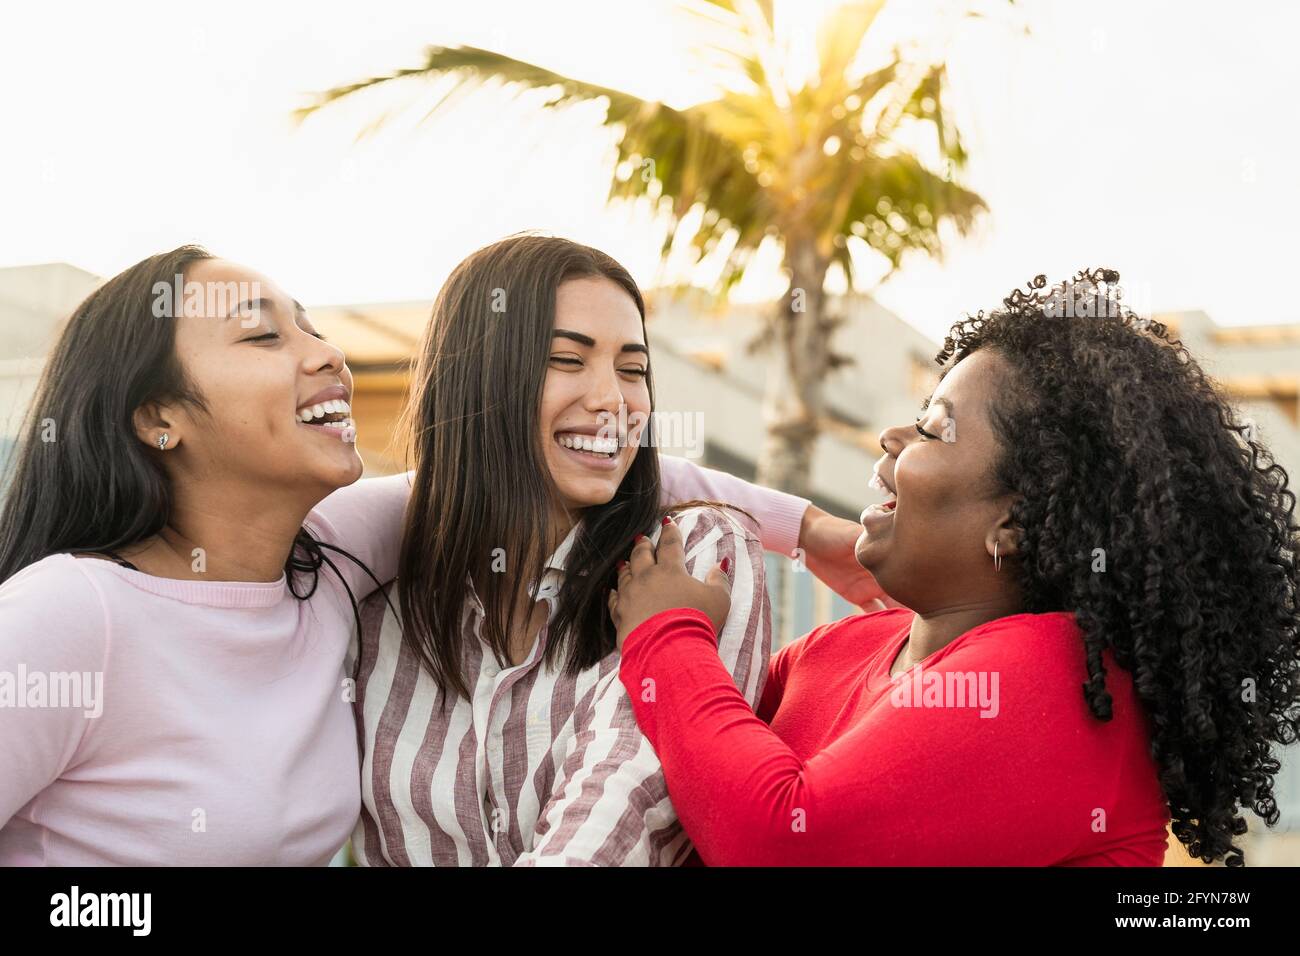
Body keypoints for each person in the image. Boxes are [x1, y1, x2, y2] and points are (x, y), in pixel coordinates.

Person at [610, 269, 1300, 866]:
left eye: (935, 429)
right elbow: (696, 782)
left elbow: (786, 843)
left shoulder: (1062, 683)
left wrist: (668, 635)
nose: (892, 436)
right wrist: (805, 527)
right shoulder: (836, 650)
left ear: (1016, 521)